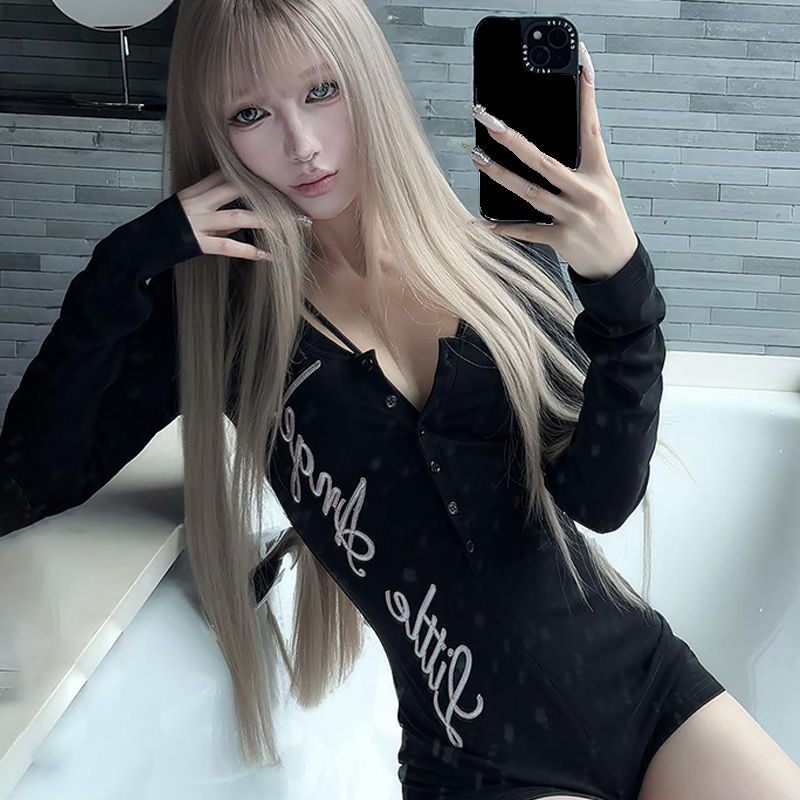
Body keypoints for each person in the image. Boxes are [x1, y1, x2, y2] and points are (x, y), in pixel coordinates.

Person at [1, 0, 799, 798]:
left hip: (648, 689)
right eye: (251, 114)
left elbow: (601, 498)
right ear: (213, 134)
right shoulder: (220, 322)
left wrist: (621, 291)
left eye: (321, 91)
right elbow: (27, 481)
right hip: (478, 763)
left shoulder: (499, 263)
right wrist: (116, 270)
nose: (302, 145)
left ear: (369, 81)